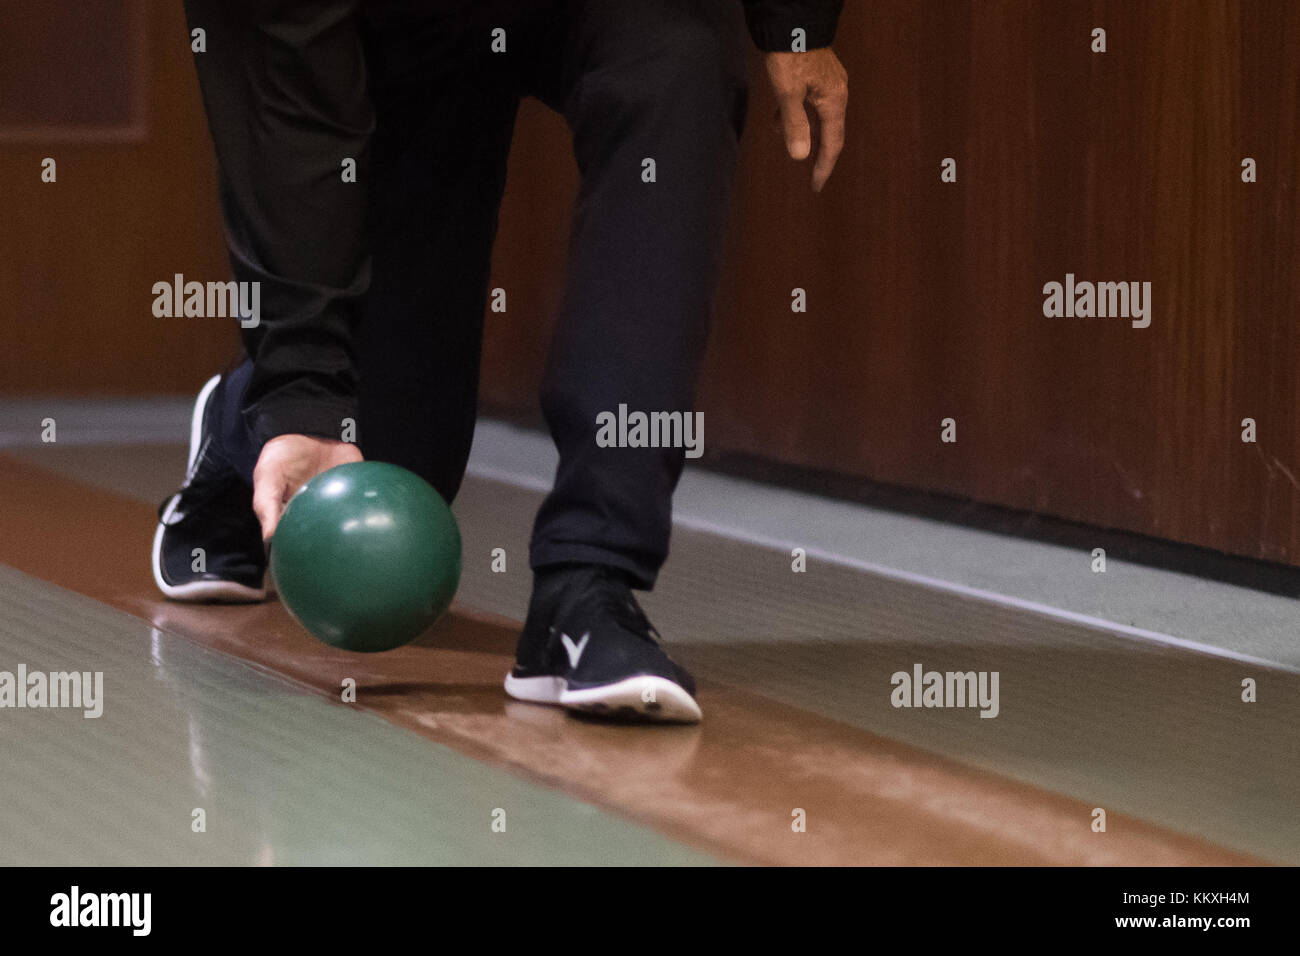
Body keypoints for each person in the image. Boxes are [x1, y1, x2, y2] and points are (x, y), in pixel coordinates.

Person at [154, 0, 847, 723]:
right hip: (400, 33)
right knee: (397, 467)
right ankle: (245, 422)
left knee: (679, 61)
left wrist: (793, 22)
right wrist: (301, 389)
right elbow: (286, 127)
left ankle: (589, 581)